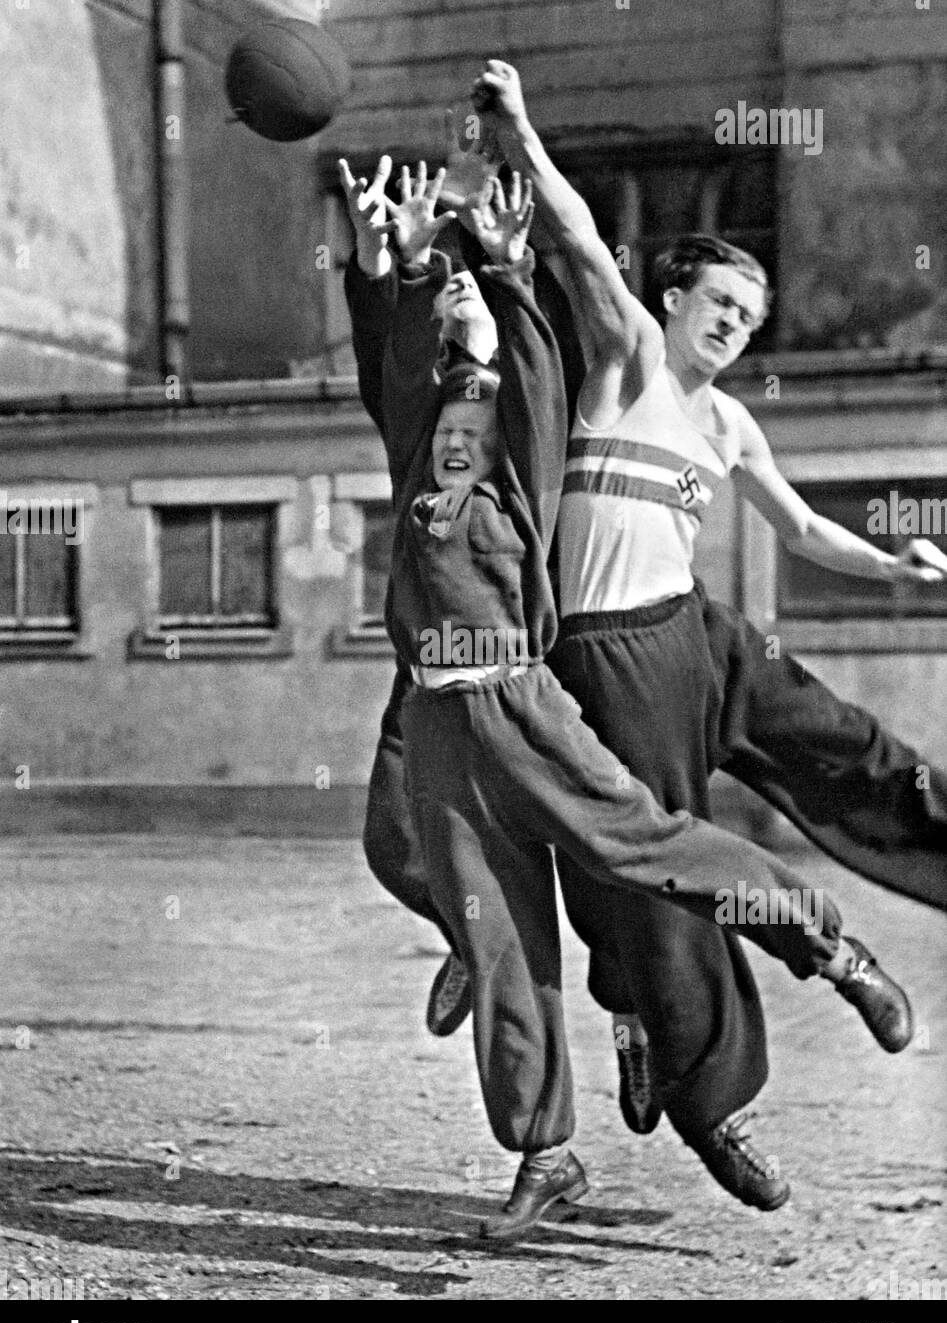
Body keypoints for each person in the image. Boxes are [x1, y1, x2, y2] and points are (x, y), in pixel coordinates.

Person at [442, 57, 941, 1189]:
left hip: (696, 634)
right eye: (719, 304)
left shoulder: (723, 426)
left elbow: (803, 530)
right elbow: (567, 233)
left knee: (847, 742)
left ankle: (926, 858)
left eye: (750, 319)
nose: (733, 328)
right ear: (667, 298)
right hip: (605, 657)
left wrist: (894, 563)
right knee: (650, 881)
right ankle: (697, 1090)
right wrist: (516, 130)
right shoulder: (622, 363)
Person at [340, 154, 857, 1237]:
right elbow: (390, 362)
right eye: (449, 309)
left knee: (642, 848)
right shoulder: (418, 431)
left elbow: (526, 361)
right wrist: (391, 257)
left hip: (526, 701)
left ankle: (815, 938)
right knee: (486, 931)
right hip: (438, 719)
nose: (452, 434)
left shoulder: (525, 445)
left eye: (469, 304)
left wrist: (507, 262)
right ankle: (545, 1152)